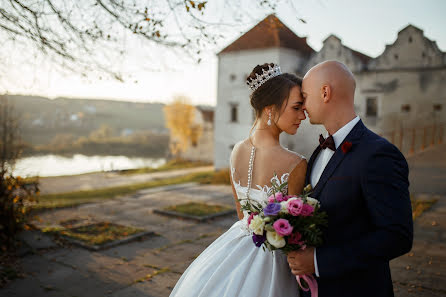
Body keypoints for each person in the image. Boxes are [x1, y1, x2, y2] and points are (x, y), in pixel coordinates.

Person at [169, 63, 308, 297]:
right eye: (296, 108)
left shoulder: (236, 151)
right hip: (274, 262)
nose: (302, 115)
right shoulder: (296, 163)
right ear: (270, 109)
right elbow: (295, 234)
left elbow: (242, 215)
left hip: (235, 246)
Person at [286, 60, 413, 297]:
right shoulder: (319, 151)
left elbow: (397, 236)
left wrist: (318, 261)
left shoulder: (378, 154)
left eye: (304, 96)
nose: (302, 106)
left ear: (325, 93)